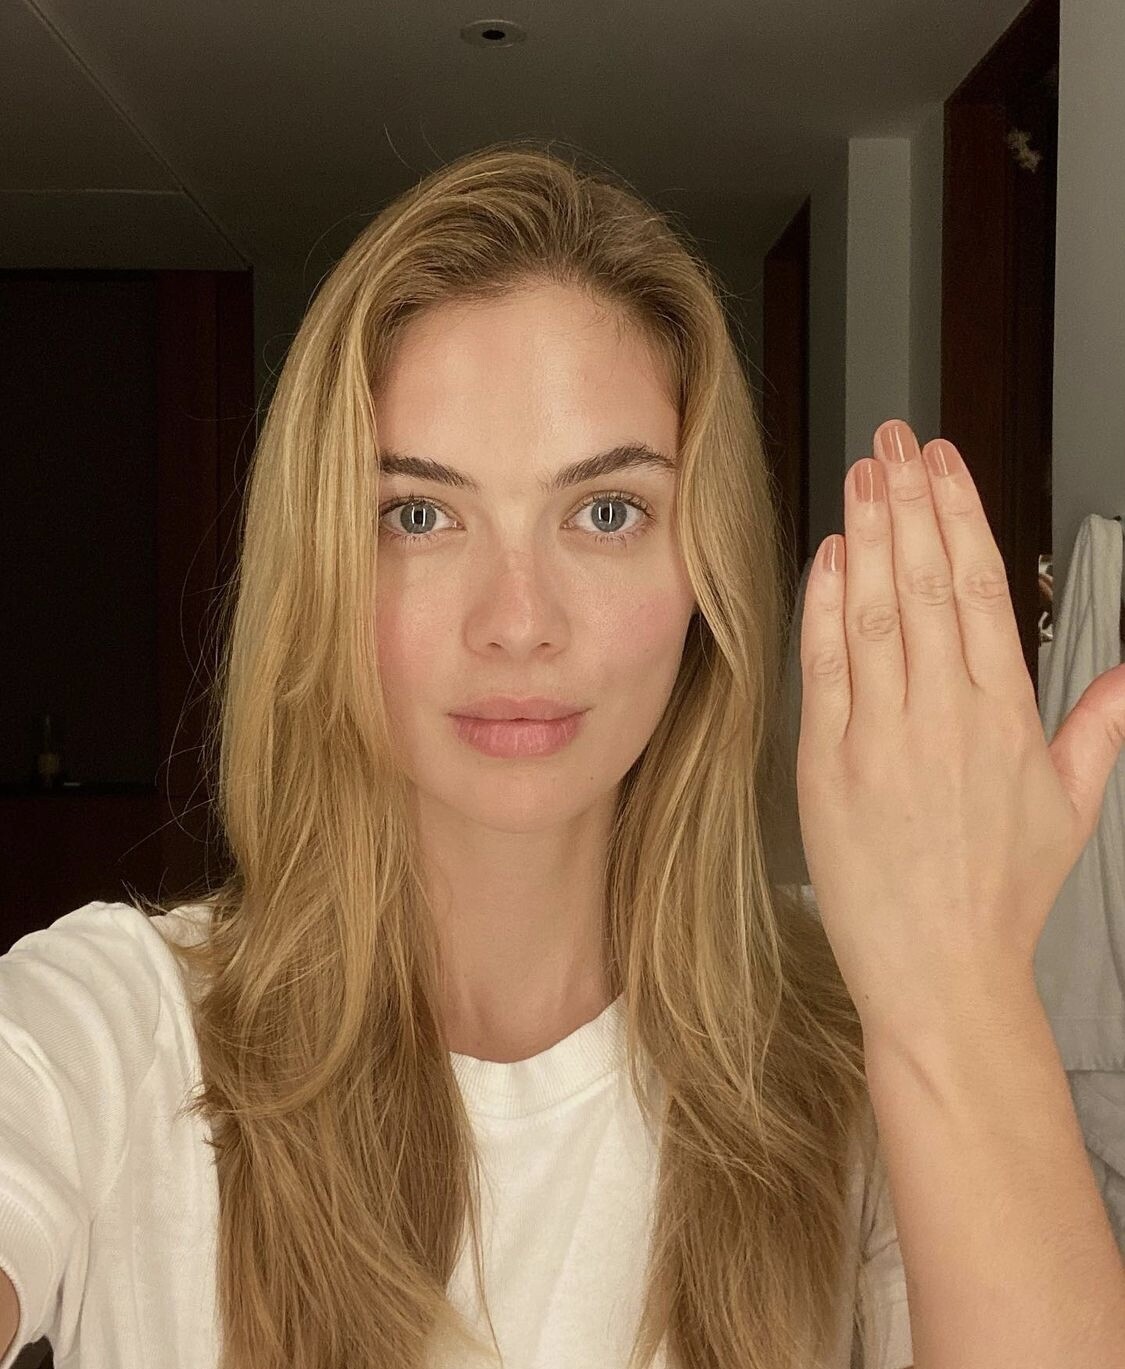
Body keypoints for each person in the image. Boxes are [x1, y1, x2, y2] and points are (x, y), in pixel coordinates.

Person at [0, 140, 913, 1369]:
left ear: (707, 574)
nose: (518, 620)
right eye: (419, 514)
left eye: (606, 511)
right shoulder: (118, 1027)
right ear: (324, 568)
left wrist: (962, 990)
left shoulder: (872, 1027)